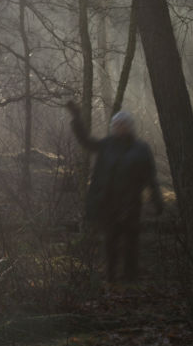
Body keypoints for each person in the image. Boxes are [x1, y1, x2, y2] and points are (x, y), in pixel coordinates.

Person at [66, 100, 163, 282]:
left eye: (123, 125)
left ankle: (130, 279)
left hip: (131, 205)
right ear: (113, 127)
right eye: (116, 125)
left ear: (130, 127)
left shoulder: (141, 149)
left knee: (131, 244)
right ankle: (110, 278)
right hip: (108, 205)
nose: (120, 128)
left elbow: (151, 177)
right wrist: (77, 118)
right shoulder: (107, 145)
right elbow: (86, 142)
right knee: (110, 242)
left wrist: (157, 200)